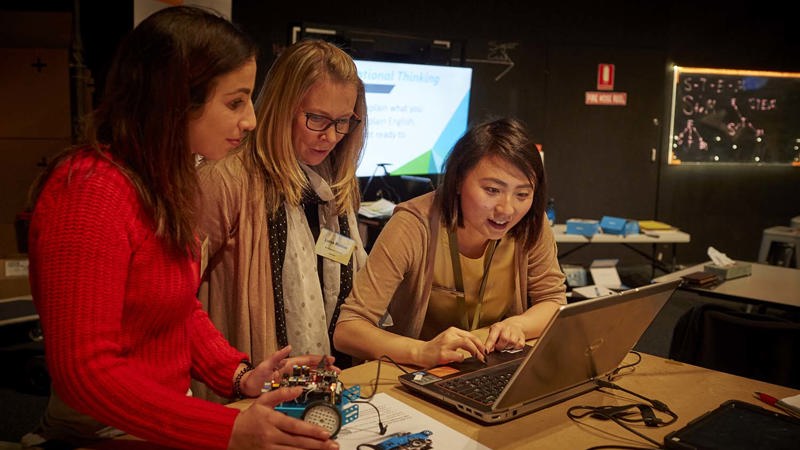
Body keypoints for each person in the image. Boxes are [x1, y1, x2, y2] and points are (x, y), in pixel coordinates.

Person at [24, 6, 339, 450]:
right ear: (175, 100)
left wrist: (240, 374)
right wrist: (225, 428)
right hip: (101, 430)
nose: (249, 119)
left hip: (156, 419)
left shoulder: (162, 181)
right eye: (234, 101)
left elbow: (175, 305)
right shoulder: (90, 193)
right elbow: (85, 373)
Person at [334, 118, 567, 368]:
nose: (506, 209)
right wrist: (421, 352)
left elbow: (553, 301)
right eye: (491, 190)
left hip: (491, 366)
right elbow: (348, 330)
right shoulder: (413, 225)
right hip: (417, 373)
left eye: (522, 194)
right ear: (457, 181)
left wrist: (517, 324)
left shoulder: (531, 224)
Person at [196, 39, 368, 374]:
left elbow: (350, 265)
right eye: (317, 118)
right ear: (281, 106)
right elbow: (176, 300)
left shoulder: (334, 184)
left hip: (328, 381)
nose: (332, 137)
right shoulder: (224, 180)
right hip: (245, 391)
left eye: (343, 121)